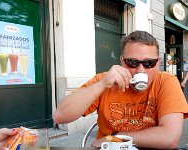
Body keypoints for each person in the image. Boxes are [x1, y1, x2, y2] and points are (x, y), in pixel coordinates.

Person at [53, 30, 188, 149]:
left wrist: (115, 138)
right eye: (132, 62)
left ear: (158, 63)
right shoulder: (105, 80)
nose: (140, 70)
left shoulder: (166, 82)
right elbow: (60, 116)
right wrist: (102, 85)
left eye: (149, 63)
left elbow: (170, 137)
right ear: (122, 61)